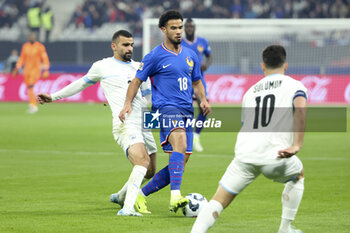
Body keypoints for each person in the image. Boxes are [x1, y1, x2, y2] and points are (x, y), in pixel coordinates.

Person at [37, 30, 157, 217]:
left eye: (132, 44)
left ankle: (120, 196)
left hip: (144, 123)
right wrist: (54, 96)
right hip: (124, 123)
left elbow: (148, 98)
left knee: (150, 171)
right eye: (125, 44)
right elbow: (81, 84)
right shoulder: (103, 66)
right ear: (114, 46)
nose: (130, 48)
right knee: (141, 161)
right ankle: (127, 207)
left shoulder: (139, 67)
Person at [191, 45, 307, 233]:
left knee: (218, 200)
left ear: (262, 66)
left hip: (245, 155)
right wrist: (297, 144)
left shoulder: (250, 91)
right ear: (285, 66)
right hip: (276, 156)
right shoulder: (295, 86)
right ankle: (285, 229)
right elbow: (300, 110)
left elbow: (246, 122)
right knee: (298, 175)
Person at [119, 10, 211, 213]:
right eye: (173, 28)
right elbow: (136, 81)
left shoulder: (190, 55)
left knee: (180, 163)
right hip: (165, 109)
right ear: (163, 30)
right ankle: (175, 196)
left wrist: (203, 99)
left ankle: (140, 195)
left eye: (180, 27)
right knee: (179, 141)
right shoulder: (155, 56)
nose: (178, 31)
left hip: (187, 110)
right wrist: (127, 103)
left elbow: (196, 82)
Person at [181, 18, 213, 152]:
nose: (189, 29)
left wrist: (207, 64)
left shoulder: (202, 42)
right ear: (184, 28)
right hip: (184, 81)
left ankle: (196, 136)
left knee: (204, 108)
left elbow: (209, 56)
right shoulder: (180, 42)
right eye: (187, 27)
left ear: (194, 28)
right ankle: (184, 138)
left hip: (199, 80)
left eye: (191, 27)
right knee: (184, 110)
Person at [13, 32, 50, 114]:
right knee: (30, 88)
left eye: (33, 36)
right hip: (27, 71)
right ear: (29, 37)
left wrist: (46, 70)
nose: (32, 38)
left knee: (31, 86)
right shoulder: (25, 46)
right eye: (30, 36)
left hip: (36, 70)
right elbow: (22, 58)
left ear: (35, 37)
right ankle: (32, 104)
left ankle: (33, 106)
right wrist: (17, 68)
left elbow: (45, 58)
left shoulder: (40, 47)